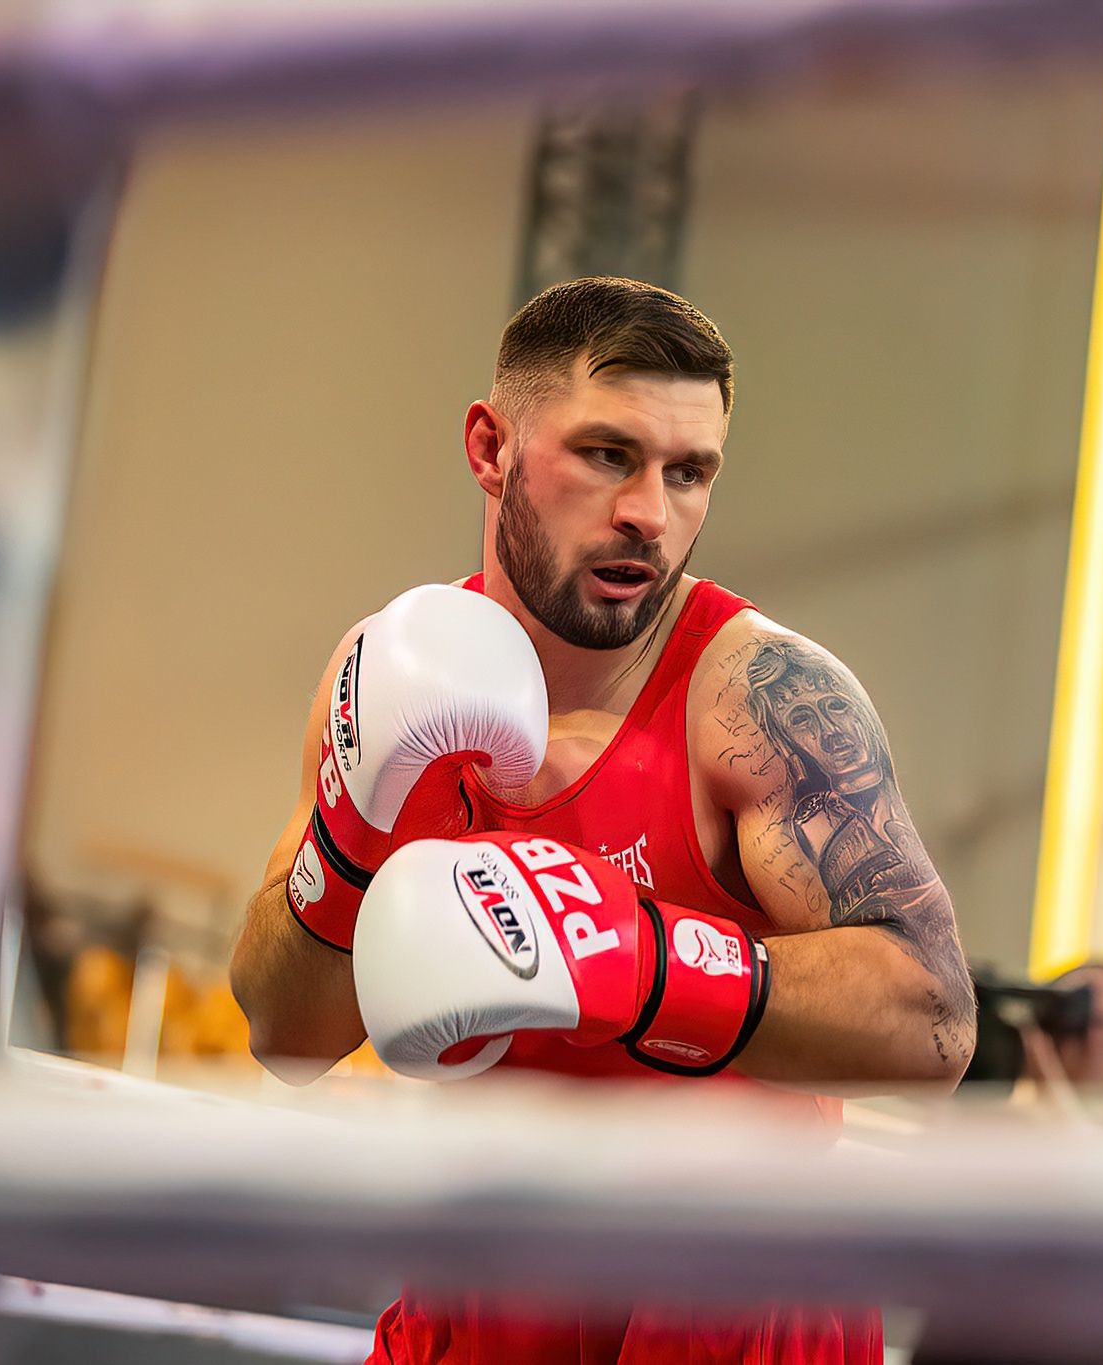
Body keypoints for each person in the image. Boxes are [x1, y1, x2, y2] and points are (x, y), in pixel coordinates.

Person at [230, 276, 973, 1365]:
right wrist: (354, 834)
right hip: (482, 1287)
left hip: (727, 1298)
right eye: (608, 455)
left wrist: (646, 963)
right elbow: (282, 1033)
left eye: (689, 472)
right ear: (490, 447)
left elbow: (934, 1023)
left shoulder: (754, 699)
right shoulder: (388, 676)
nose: (649, 513)